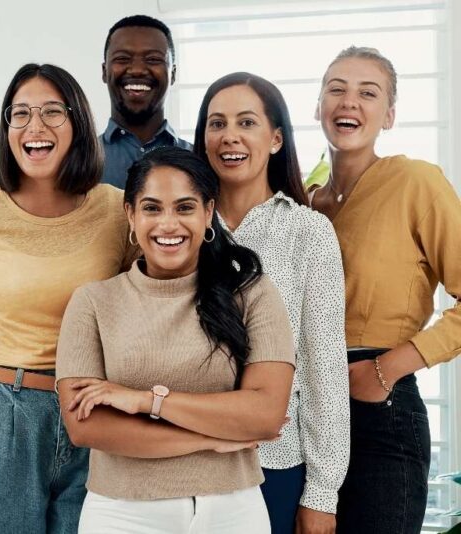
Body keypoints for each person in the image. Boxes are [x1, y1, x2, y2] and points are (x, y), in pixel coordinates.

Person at [0, 63, 132, 533]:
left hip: (94, 411)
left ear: (78, 122)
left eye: (51, 112)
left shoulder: (117, 212)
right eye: (19, 114)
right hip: (2, 414)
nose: (34, 127)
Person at [56, 146, 295, 534]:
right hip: (121, 513)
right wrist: (209, 439)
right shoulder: (93, 302)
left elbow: (265, 415)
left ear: (207, 213)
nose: (169, 224)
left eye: (184, 208)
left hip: (233, 511)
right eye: (152, 208)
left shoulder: (251, 292)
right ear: (130, 215)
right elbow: (86, 427)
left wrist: (146, 401)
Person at [310, 46, 461, 534]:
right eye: (336, 89)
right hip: (304, 411)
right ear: (318, 107)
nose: (348, 102)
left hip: (381, 410)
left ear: (389, 116)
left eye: (367, 93)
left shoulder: (417, 182)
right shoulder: (305, 200)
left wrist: (388, 368)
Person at [193, 72, 349, 534]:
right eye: (216, 123)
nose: (230, 136)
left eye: (246, 122)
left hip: (273, 466)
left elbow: (325, 368)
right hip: (180, 459)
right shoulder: (176, 227)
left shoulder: (309, 232)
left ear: (276, 138)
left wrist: (322, 493)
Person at [100, 15, 191, 188]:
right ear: (104, 71)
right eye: (122, 59)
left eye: (153, 60)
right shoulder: (76, 161)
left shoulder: (201, 159)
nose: (137, 70)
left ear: (173, 74)